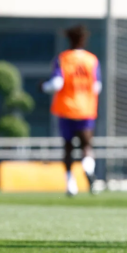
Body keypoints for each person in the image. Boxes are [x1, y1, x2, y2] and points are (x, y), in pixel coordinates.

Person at [41, 25, 101, 196]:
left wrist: (43, 87)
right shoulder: (92, 60)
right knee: (86, 146)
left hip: (66, 108)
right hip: (86, 109)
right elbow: (97, 86)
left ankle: (70, 184)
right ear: (84, 40)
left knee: (68, 147)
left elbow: (57, 84)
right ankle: (88, 170)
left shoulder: (62, 59)